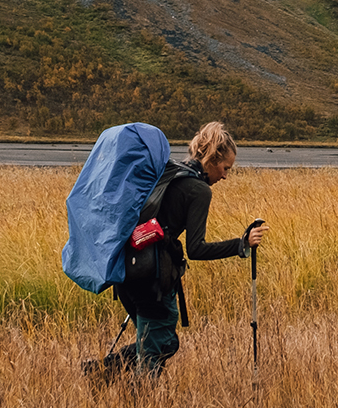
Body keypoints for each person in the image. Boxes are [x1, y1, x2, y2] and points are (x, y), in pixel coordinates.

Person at [91, 121, 265, 380]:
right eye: (225, 168)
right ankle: (132, 397)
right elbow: (196, 249)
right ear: (211, 159)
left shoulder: (172, 172)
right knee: (155, 347)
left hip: (128, 269)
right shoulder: (199, 190)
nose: (226, 175)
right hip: (152, 277)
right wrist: (241, 244)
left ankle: (102, 373)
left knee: (163, 342)